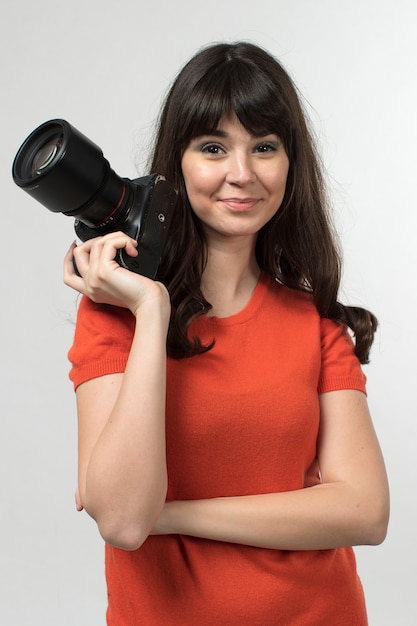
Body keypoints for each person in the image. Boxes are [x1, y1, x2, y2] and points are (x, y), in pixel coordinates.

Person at [63, 42, 389, 625]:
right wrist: (153, 309)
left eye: (264, 147)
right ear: (178, 162)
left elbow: (365, 512)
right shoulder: (116, 317)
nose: (242, 174)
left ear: (291, 163)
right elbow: (124, 520)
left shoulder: (316, 325)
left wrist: (176, 514)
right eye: (213, 147)